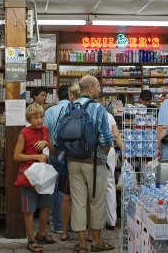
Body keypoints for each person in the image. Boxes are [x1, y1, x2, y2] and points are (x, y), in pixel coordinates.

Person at [68, 75, 114, 253]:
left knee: (78, 202)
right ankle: (95, 242)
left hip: (73, 161)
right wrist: (102, 156)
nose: (100, 89)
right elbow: (106, 137)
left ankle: (81, 245)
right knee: (96, 202)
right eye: (98, 87)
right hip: (94, 163)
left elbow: (57, 136)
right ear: (90, 89)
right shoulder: (98, 108)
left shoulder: (70, 107)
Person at [13, 103, 56, 253]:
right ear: (29, 119)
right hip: (29, 176)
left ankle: (42, 233)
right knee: (29, 209)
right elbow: (16, 156)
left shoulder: (45, 130)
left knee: (46, 205)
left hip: (44, 174)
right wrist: (36, 156)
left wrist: (47, 143)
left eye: (41, 116)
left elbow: (53, 150)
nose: (39, 120)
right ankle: (30, 239)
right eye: (35, 117)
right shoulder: (24, 133)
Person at [44, 85, 70, 236]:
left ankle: (58, 224)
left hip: (54, 152)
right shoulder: (76, 108)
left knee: (56, 189)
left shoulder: (50, 111)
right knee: (71, 189)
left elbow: (45, 133)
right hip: (73, 154)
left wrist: (51, 148)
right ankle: (72, 224)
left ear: (58, 97)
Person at [105, 111, 124, 230]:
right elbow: (116, 135)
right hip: (108, 150)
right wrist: (125, 150)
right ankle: (111, 221)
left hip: (90, 153)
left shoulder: (86, 113)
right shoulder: (108, 115)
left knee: (92, 186)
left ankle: (92, 222)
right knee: (109, 185)